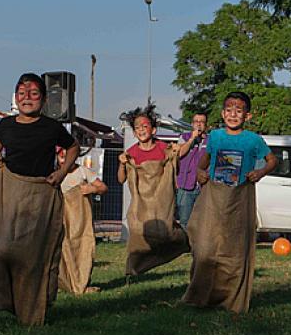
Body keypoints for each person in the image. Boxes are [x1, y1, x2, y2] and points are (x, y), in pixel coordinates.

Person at [0, 72, 79, 326]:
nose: (27, 98)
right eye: (22, 93)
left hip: (41, 193)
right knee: (1, 247)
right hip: (11, 190)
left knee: (32, 255)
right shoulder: (6, 124)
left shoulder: (51, 127)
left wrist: (61, 172)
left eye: (34, 93)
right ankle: (5, 300)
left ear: (44, 99)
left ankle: (32, 308)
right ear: (16, 97)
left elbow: (73, 146)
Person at [183, 91, 277, 313]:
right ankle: (200, 296)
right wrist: (199, 171)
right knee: (205, 247)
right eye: (229, 109)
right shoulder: (215, 137)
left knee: (234, 250)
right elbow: (204, 161)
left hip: (239, 199)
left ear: (247, 115)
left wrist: (260, 172)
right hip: (214, 198)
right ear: (222, 113)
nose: (233, 114)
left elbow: (272, 160)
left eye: (239, 110)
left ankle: (231, 299)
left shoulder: (253, 140)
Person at [118, 104, 189, 276]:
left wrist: (180, 149)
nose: (141, 130)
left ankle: (185, 242)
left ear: (154, 130)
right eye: (137, 128)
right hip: (141, 203)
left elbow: (176, 162)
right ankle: (134, 269)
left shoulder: (163, 148)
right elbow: (121, 179)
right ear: (134, 133)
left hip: (161, 201)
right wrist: (122, 163)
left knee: (166, 234)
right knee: (138, 234)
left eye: (145, 126)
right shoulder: (131, 153)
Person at [57, 147, 108, 294]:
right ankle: (69, 283)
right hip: (62, 220)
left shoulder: (83, 172)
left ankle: (82, 283)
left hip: (81, 221)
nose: (65, 160)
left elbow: (103, 187)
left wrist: (92, 189)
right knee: (63, 250)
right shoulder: (55, 174)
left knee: (83, 247)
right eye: (62, 156)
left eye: (68, 157)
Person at [175, 112, 208, 229]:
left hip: (204, 188)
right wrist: (192, 139)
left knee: (202, 222)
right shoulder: (184, 137)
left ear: (206, 125)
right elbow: (179, 153)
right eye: (196, 122)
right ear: (192, 124)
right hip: (185, 186)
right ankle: (184, 246)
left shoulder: (210, 141)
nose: (199, 124)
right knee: (184, 221)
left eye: (202, 122)